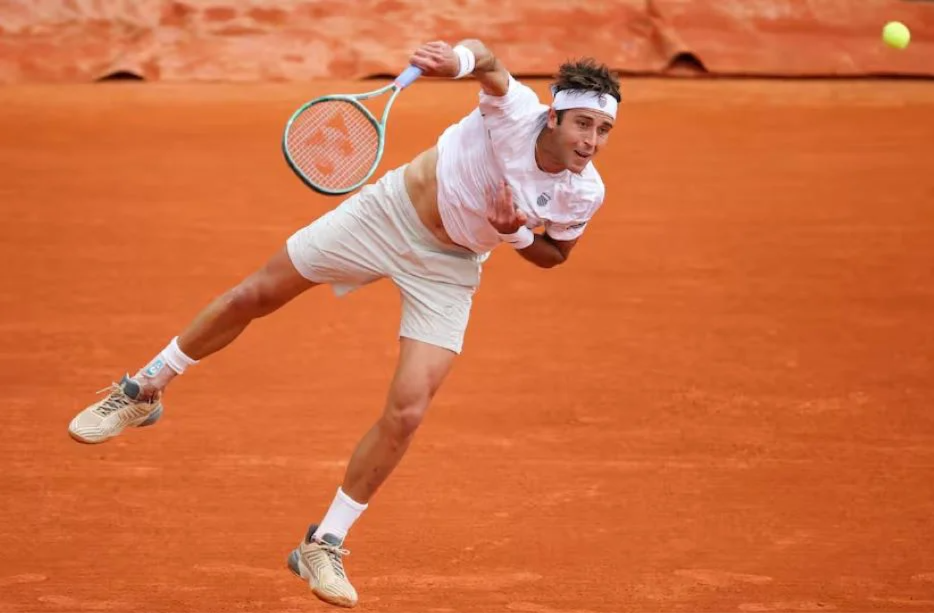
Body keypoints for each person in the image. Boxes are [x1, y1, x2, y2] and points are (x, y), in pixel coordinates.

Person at [68, 39, 621, 608]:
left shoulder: (585, 191)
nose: (591, 142)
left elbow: (555, 255)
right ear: (553, 115)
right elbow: (486, 62)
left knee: (408, 410)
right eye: (583, 124)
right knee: (254, 294)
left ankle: (322, 543)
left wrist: (512, 235)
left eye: (604, 131)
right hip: (384, 214)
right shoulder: (515, 111)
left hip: (450, 265)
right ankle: (145, 388)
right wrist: (454, 61)